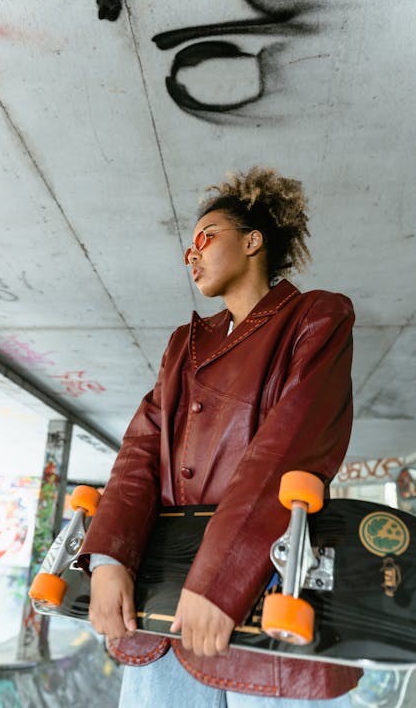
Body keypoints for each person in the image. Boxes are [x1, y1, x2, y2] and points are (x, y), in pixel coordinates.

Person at [81, 167, 363, 706]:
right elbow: (139, 452)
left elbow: (288, 450)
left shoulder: (317, 316)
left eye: (206, 237)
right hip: (160, 615)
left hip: (267, 608)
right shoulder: (182, 345)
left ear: (253, 240)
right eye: (188, 248)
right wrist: (109, 559)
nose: (193, 255)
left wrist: (222, 576)